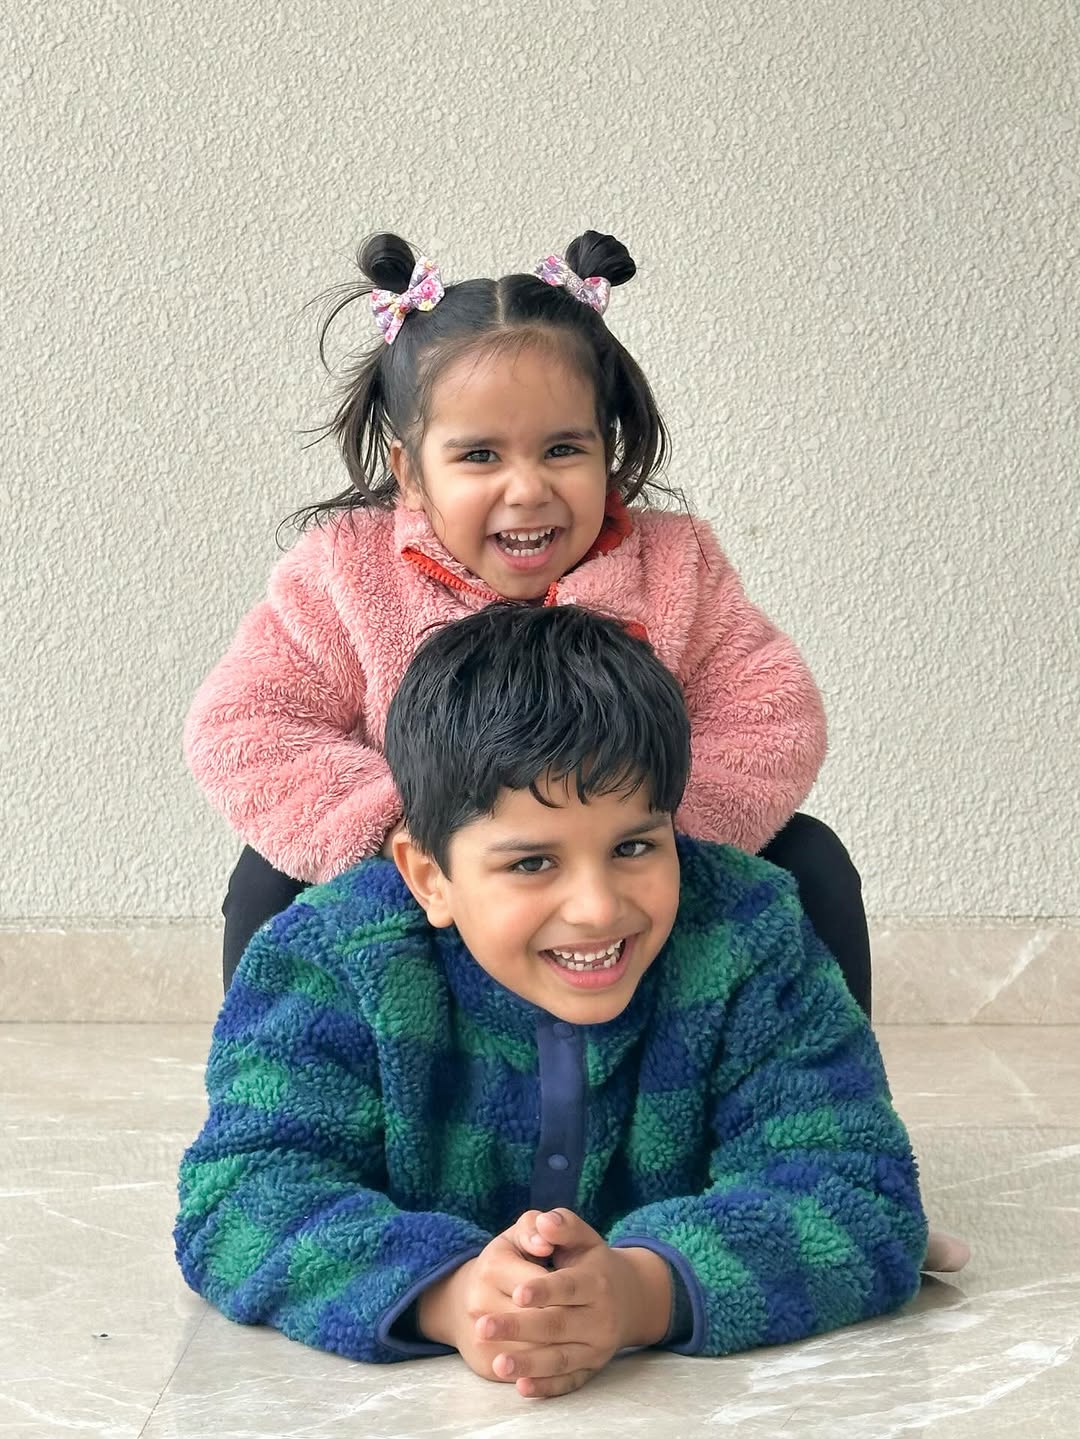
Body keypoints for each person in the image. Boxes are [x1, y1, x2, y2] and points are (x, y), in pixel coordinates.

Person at [175, 605, 932, 1401]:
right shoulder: (329, 958)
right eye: (533, 862)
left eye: (634, 846)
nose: (598, 908)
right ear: (429, 876)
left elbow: (860, 1189)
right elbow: (238, 1196)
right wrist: (452, 1296)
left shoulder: (748, 933)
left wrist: (641, 1292)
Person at [183, 230, 871, 1011]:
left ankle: (822, 1076)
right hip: (427, 898)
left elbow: (770, 712)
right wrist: (422, 838)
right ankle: (275, 1076)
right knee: (264, 879)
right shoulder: (345, 574)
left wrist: (641, 839)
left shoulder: (675, 567)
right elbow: (245, 726)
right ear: (410, 472)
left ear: (608, 451)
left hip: (613, 904)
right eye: (480, 455)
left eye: (562, 449)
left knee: (812, 859)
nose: (527, 488)